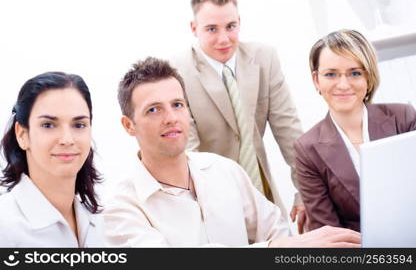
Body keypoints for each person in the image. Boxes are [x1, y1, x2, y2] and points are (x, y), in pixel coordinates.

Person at [103, 56, 360, 247]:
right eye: (153, 109)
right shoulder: (121, 207)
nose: (171, 117)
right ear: (129, 126)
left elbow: (278, 233)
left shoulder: (223, 170)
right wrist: (273, 249)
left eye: (177, 104)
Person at [169, 0, 305, 233]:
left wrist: (305, 192)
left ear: (239, 21)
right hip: (212, 206)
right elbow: (188, 155)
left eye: (231, 26)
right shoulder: (176, 73)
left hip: (265, 196)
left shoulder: (265, 58)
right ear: (194, 28)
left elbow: (290, 131)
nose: (224, 39)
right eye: (211, 29)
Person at [295, 29, 416, 232]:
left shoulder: (403, 118)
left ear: (368, 77)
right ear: (317, 80)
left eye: (355, 73)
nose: (343, 84)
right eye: (331, 74)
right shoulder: (307, 150)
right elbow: (329, 234)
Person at [0, 72, 104, 247]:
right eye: (48, 125)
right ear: (22, 134)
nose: (67, 139)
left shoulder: (103, 223)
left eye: (79, 125)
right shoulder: (5, 227)